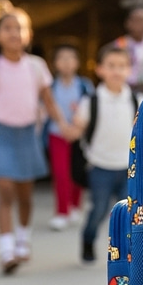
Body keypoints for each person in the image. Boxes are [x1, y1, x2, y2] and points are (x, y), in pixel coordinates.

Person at [0, 7, 74, 273]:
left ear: (28, 35)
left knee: (25, 194)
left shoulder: (36, 66)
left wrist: (63, 125)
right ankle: (6, 249)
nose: (14, 33)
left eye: (19, 28)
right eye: (8, 28)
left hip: (26, 134)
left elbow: (49, 101)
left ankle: (23, 239)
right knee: (5, 190)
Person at [72, 43, 138, 263]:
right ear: (99, 69)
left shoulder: (137, 100)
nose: (116, 71)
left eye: (122, 66)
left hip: (129, 167)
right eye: (111, 66)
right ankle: (88, 239)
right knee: (99, 209)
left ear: (129, 70)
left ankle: (123, 254)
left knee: (126, 215)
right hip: (100, 166)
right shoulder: (91, 100)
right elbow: (77, 129)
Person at [46, 44, 94, 231]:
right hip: (57, 133)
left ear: (77, 62)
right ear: (55, 63)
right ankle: (62, 212)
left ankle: (75, 205)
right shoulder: (50, 86)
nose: (66, 63)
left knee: (77, 171)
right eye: (61, 58)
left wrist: (78, 129)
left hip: (78, 134)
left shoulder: (84, 85)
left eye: (70, 58)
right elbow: (46, 107)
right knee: (60, 173)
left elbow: (90, 108)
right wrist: (63, 126)